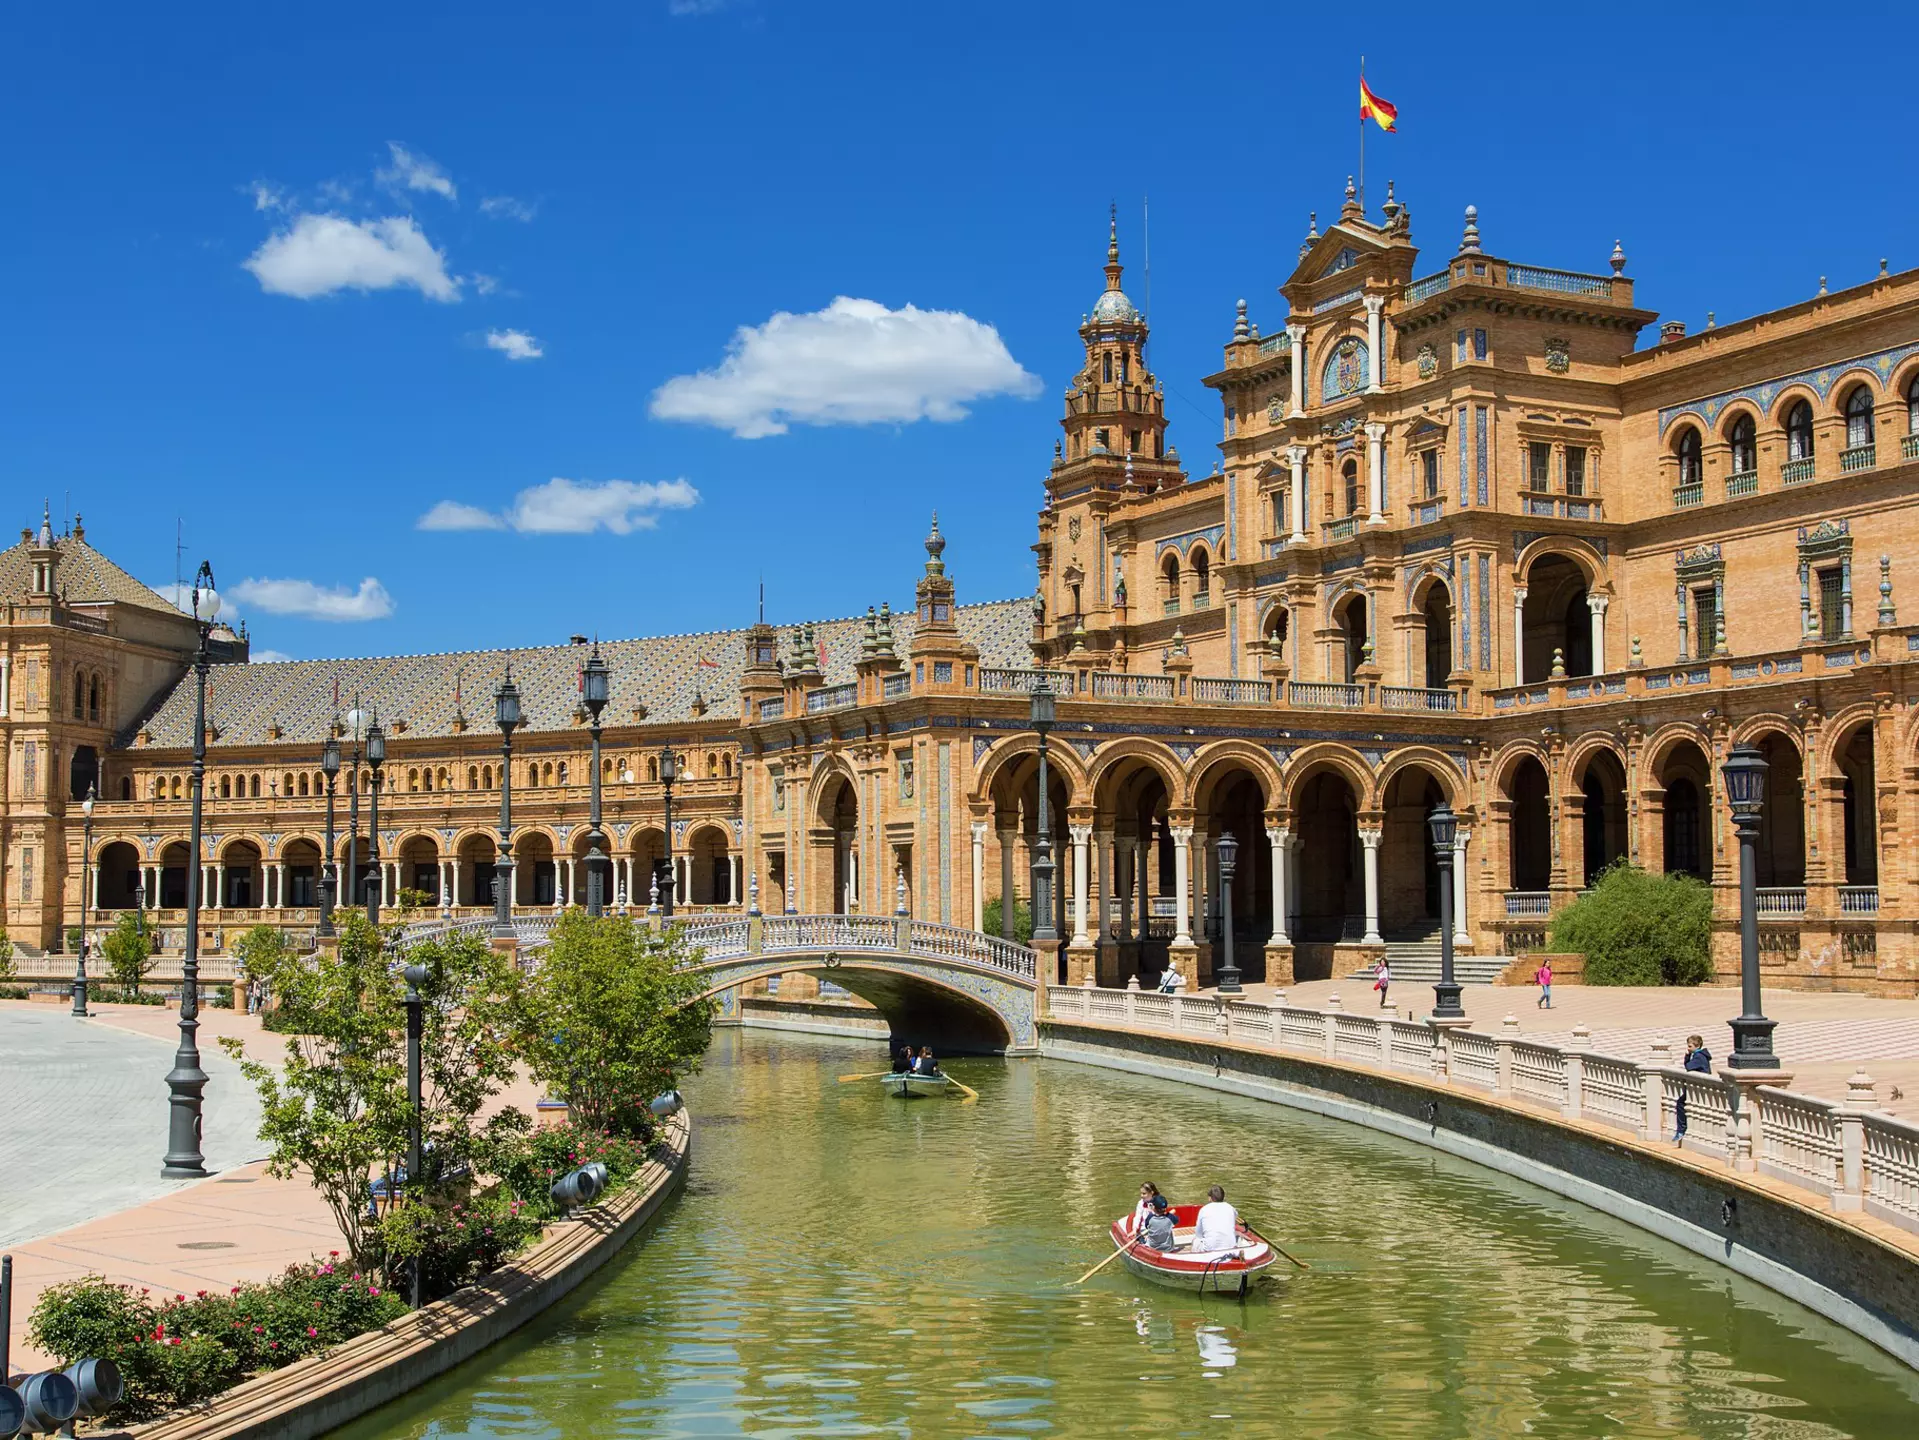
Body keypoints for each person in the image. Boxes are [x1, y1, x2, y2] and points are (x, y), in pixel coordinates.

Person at [1675, 1034, 1712, 1145]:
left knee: (1680, 1103)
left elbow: (1688, 1067)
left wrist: (1686, 1057)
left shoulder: (1699, 1057)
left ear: (1697, 1046)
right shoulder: (1700, 1055)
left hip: (1699, 1087)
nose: (1688, 1048)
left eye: (1690, 1046)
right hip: (1697, 1086)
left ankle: (1681, 1129)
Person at [1191, 1184, 1240, 1254]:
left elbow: (1198, 1234)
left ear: (1209, 1198)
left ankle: (1195, 1257)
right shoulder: (1231, 1208)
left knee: (1195, 1240)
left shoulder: (1204, 1210)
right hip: (1230, 1247)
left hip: (1209, 1249)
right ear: (1224, 1197)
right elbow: (1234, 1220)